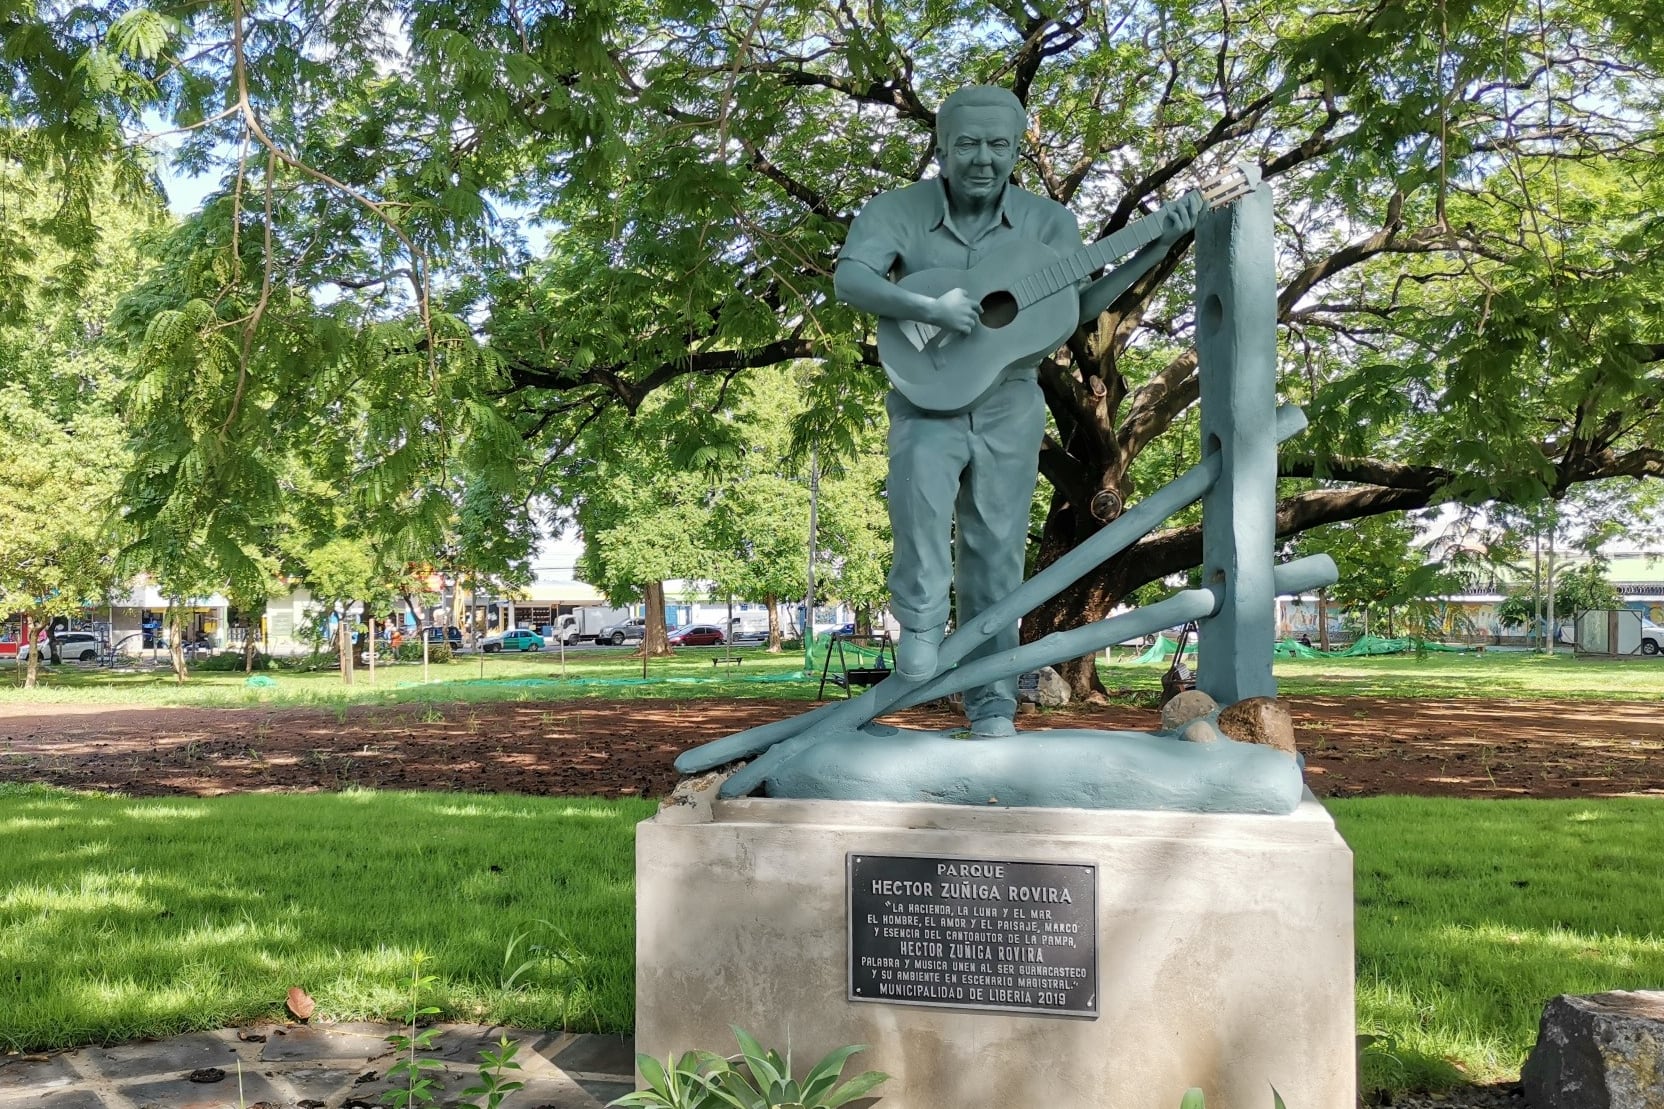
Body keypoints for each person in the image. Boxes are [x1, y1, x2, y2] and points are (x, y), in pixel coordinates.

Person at [834, 84, 1204, 737]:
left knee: (996, 553)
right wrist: (927, 308)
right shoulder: (899, 211)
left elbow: (1078, 308)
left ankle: (992, 702)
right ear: (941, 148)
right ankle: (919, 623)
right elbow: (851, 278)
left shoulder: (1049, 224)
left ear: (1016, 151)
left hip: (1010, 399)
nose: (983, 158)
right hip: (926, 399)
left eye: (999, 145)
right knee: (918, 500)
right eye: (968, 144)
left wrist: (1156, 246)